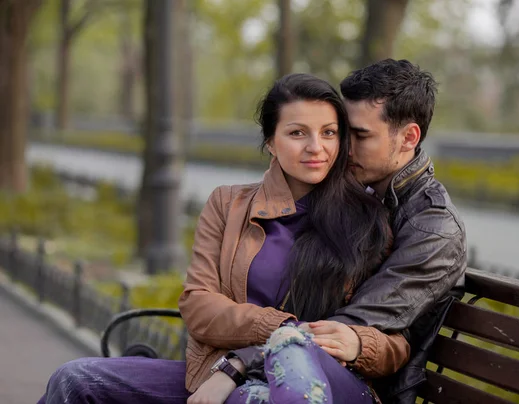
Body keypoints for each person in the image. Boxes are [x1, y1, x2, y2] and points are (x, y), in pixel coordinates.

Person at [38, 73, 411, 404]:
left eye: (329, 133)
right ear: (270, 141)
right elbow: (198, 304)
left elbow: (395, 344)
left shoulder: (366, 221)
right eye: (298, 133)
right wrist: (275, 330)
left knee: (252, 397)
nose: (317, 147)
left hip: (321, 386)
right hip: (215, 376)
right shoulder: (229, 204)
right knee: (75, 379)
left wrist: (357, 344)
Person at [325, 58, 468, 403]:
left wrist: (241, 362)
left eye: (360, 136)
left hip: (365, 389)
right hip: (315, 367)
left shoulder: (435, 228)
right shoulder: (356, 190)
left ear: (408, 137)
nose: (344, 147)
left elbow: (353, 323)